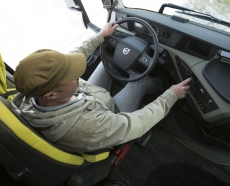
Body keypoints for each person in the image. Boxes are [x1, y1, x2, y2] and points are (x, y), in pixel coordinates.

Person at [12, 21, 191, 154]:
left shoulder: (33, 91)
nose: (77, 74)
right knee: (139, 82)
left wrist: (100, 36)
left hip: (89, 99)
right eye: (72, 75)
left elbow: (71, 57)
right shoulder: (90, 129)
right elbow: (137, 123)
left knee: (108, 65)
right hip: (110, 112)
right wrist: (170, 96)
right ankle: (162, 83)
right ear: (51, 94)